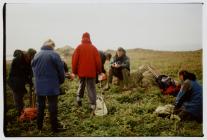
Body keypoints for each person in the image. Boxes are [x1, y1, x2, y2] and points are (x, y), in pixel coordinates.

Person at [31, 39, 65, 132]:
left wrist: (37, 81)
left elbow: (33, 68)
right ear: (52, 46)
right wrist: (61, 81)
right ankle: (54, 128)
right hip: (52, 86)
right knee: (53, 106)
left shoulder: (36, 55)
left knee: (40, 106)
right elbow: (61, 70)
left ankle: (39, 127)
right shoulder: (54, 54)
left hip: (39, 86)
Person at [72, 32, 101, 112]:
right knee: (91, 87)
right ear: (89, 38)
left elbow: (74, 60)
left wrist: (74, 71)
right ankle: (92, 105)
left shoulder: (78, 47)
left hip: (81, 72)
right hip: (91, 72)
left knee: (82, 83)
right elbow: (98, 61)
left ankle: (79, 98)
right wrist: (99, 71)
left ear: (82, 38)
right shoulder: (93, 48)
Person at [8, 48, 36, 116]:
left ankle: (23, 112)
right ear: (28, 55)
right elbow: (21, 73)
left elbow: (30, 71)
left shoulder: (29, 61)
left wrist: (31, 82)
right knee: (18, 97)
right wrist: (28, 80)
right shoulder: (17, 60)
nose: (32, 59)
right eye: (32, 57)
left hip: (21, 80)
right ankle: (20, 114)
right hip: (15, 81)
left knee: (21, 96)